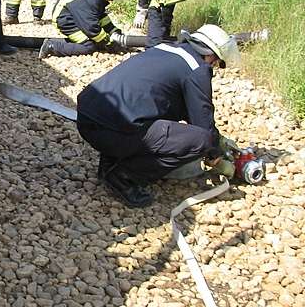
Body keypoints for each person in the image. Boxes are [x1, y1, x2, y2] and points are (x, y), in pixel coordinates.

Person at [76, 24, 240, 208]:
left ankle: (109, 163)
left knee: (152, 113)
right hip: (113, 131)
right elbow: (203, 124)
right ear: (210, 55)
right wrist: (215, 156)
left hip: (87, 118)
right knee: (201, 140)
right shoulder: (197, 69)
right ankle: (124, 177)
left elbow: (185, 108)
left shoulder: (165, 49)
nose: (214, 66)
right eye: (217, 62)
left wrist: (219, 139)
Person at [39, 0, 128, 59]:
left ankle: (56, 44)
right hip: (64, 19)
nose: (112, 0)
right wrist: (110, 44)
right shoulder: (93, 0)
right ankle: (52, 46)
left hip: (71, 14)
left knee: (97, 42)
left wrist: (114, 30)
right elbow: (92, 30)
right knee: (89, 46)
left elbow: (101, 16)